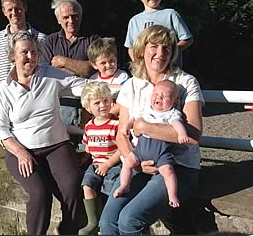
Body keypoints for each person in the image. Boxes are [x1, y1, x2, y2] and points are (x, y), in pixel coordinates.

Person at [99, 24, 204, 235]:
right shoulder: (131, 86)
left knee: (130, 220)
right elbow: (122, 135)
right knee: (108, 222)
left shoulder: (185, 83)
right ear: (142, 49)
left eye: (166, 48)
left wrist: (143, 126)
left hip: (177, 167)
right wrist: (135, 162)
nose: (160, 53)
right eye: (153, 46)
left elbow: (193, 135)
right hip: (139, 163)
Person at [0, 30, 88, 235]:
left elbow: (82, 86)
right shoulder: (4, 90)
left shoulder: (50, 75)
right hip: (21, 149)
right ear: (13, 56)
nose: (30, 57)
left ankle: (67, 231)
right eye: (24, 52)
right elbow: (0, 128)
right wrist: (20, 153)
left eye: (34, 52)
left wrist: (121, 87)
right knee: (40, 193)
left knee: (71, 186)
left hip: (56, 145)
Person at [114, 79, 190, 209]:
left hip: (161, 152)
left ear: (175, 102)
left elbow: (177, 124)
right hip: (141, 149)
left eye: (165, 96)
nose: (159, 98)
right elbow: (134, 118)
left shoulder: (171, 113)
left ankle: (172, 195)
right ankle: (125, 185)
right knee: (127, 162)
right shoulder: (146, 109)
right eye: (156, 94)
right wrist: (127, 126)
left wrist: (182, 134)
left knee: (168, 171)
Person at [40, 0, 99, 143]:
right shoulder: (50, 41)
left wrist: (62, 61)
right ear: (59, 20)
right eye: (66, 17)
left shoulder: (93, 39)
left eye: (75, 16)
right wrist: (79, 68)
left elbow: (91, 69)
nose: (71, 21)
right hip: (60, 106)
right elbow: (45, 73)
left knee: (88, 147)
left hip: (87, 106)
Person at [124, 0, 193, 68]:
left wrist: (169, 52)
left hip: (170, 72)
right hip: (146, 74)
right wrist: (139, 64)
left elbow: (187, 39)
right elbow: (131, 48)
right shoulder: (134, 21)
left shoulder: (171, 14)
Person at [78, 82, 123, 235]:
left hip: (114, 164)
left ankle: (107, 219)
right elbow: (88, 147)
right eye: (97, 103)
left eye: (106, 100)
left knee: (109, 189)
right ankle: (93, 221)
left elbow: (121, 149)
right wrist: (84, 158)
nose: (103, 105)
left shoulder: (115, 124)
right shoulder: (89, 126)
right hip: (95, 163)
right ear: (88, 108)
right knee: (87, 185)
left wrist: (109, 164)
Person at [87, 37, 129, 116]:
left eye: (111, 61)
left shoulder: (122, 76)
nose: (108, 65)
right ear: (95, 65)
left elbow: (124, 93)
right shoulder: (93, 79)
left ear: (116, 58)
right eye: (103, 63)